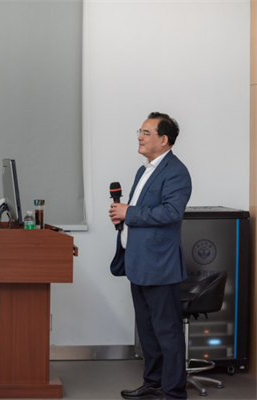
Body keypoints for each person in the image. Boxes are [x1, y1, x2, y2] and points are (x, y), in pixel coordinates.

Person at [109, 112, 192, 400]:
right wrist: (122, 217)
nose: (140, 137)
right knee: (147, 331)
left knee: (167, 332)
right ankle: (153, 383)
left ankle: (174, 392)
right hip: (138, 262)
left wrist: (129, 212)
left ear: (163, 139)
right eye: (140, 131)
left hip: (160, 265)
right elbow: (140, 212)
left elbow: (171, 212)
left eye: (146, 132)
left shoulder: (176, 172)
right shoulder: (143, 170)